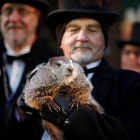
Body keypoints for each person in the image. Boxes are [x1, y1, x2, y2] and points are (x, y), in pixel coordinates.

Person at [34, 0, 140, 140]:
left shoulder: (130, 83)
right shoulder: (38, 76)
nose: (82, 38)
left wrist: (70, 116)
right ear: (61, 40)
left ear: (104, 42)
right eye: (73, 29)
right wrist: (20, 111)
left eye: (92, 30)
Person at [0, 0, 61, 139]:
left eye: (22, 11)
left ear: (39, 18)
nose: (13, 19)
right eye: (8, 11)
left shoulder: (55, 64)